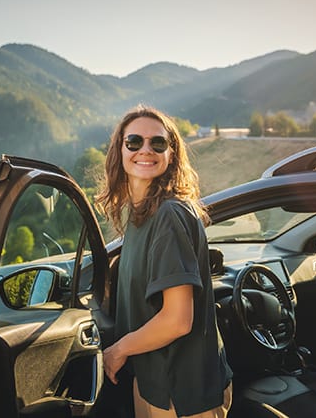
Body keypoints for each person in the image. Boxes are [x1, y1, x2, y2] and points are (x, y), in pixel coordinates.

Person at [97, 104, 232, 418]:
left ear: (171, 154)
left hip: (182, 394)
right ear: (120, 149)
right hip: (153, 382)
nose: (146, 150)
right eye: (134, 142)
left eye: (158, 143)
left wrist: (117, 351)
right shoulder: (139, 215)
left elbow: (177, 320)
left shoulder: (168, 215)